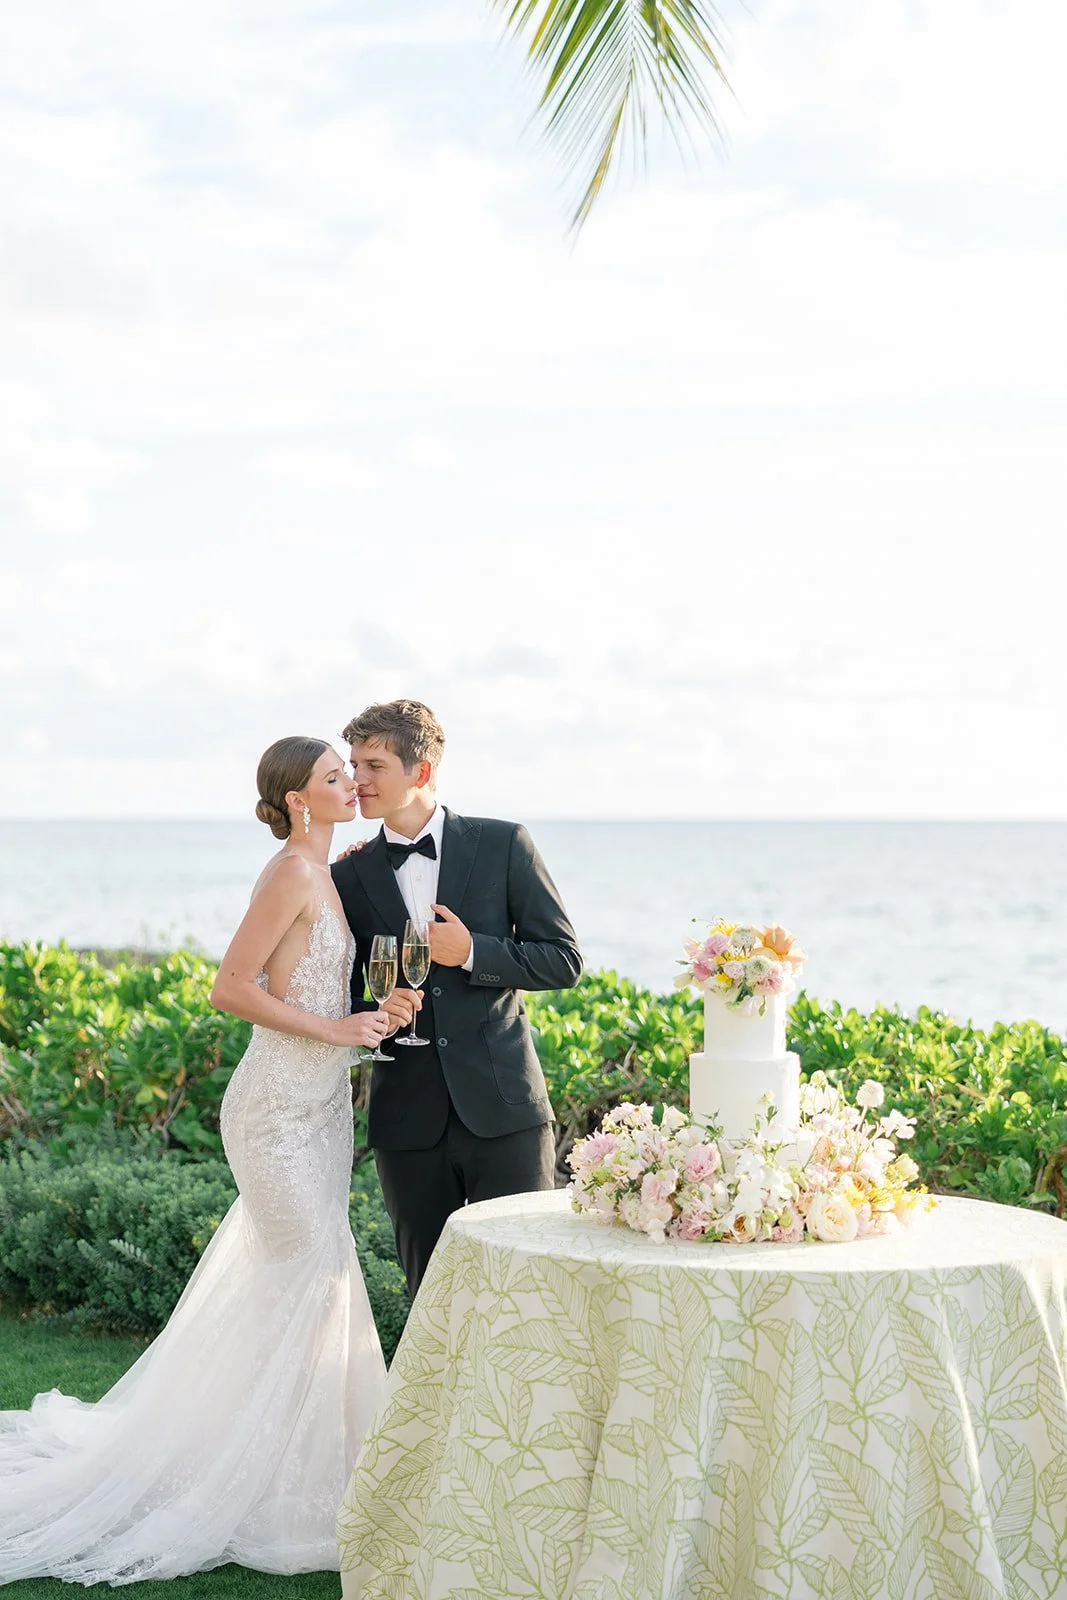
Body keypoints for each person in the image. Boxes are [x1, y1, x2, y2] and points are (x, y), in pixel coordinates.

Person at [0, 737, 391, 1585]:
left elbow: (319, 986)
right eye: (333, 777)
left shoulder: (325, 869)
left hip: (319, 1110)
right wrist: (338, 1032)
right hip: (274, 1114)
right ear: (296, 799)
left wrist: (369, 1021)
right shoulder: (291, 871)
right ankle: (260, 1482)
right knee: (309, 1281)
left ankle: (311, 1464)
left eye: (351, 773)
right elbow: (232, 987)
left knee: (309, 1283)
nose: (351, 783)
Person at [331, 699, 582, 1300]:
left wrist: (473, 951)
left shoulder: (503, 845)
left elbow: (564, 960)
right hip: (405, 1121)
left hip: (505, 1112)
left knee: (527, 1288)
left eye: (373, 765)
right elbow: (341, 991)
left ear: (420, 772)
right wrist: (375, 1008)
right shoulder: (347, 874)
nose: (356, 779)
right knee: (431, 1295)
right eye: (352, 763)